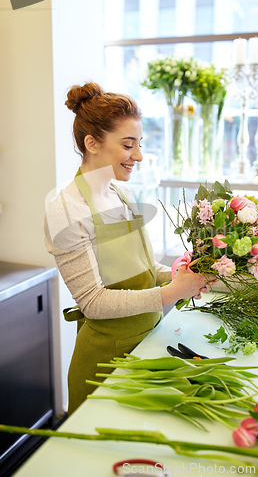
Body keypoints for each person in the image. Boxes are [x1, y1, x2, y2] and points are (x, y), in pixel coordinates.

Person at [44, 82, 215, 415]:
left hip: (147, 344)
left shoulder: (120, 194)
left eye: (139, 144)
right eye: (128, 144)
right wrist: (171, 293)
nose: (137, 155)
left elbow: (139, 273)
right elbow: (93, 302)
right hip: (106, 363)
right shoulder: (66, 210)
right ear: (92, 143)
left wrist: (182, 275)